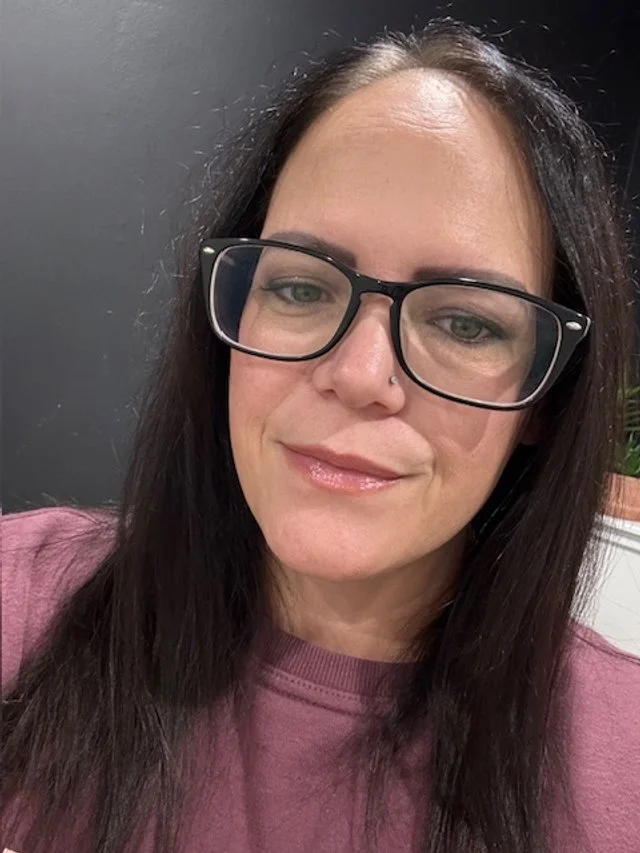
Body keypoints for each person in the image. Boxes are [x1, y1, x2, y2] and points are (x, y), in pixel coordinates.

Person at [2, 17, 639, 853]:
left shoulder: (619, 766)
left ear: (544, 399)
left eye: (466, 323)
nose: (359, 374)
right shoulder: (22, 603)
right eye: (301, 288)